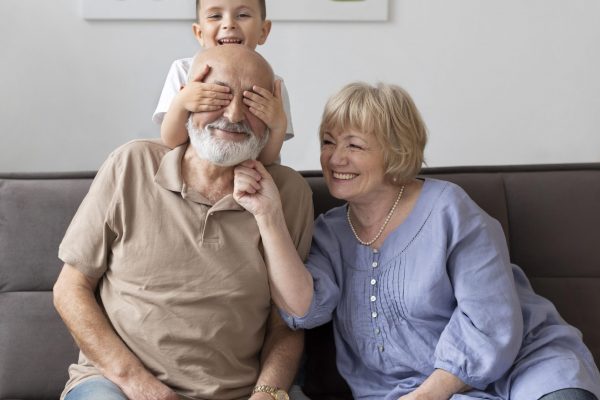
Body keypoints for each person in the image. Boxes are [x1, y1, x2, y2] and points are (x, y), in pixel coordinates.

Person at [233, 82, 600, 400]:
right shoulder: (330, 231)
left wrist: (429, 394)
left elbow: (492, 323)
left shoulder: (449, 210)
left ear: (395, 150)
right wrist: (268, 216)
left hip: (524, 368)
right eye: (327, 142)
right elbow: (301, 311)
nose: (335, 158)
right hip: (406, 389)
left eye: (355, 145)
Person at [53, 45, 313, 400]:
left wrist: (268, 392)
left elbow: (287, 324)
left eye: (252, 102)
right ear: (188, 99)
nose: (234, 114)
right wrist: (137, 383)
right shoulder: (131, 164)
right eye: (218, 96)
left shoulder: (287, 192)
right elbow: (69, 289)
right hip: (117, 386)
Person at [154, 0, 292, 166]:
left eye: (242, 15)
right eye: (215, 16)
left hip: (248, 175)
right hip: (194, 172)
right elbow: (171, 141)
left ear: (263, 31)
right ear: (199, 33)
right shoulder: (183, 70)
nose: (229, 24)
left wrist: (278, 126)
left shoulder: (273, 83)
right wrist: (182, 103)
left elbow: (266, 160)